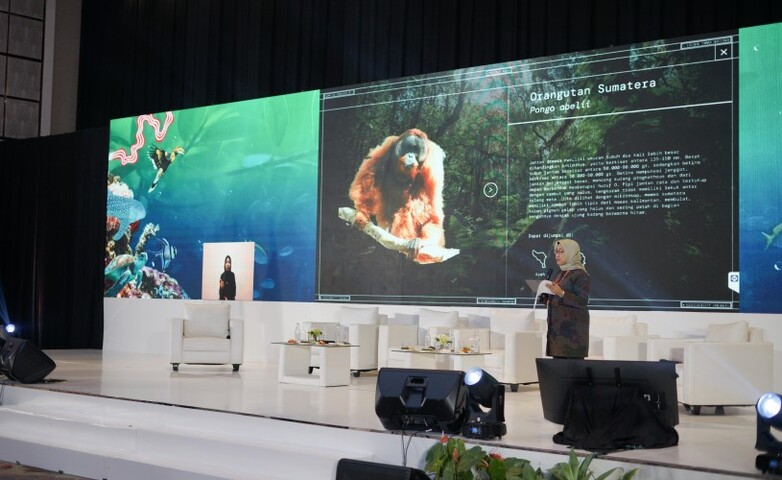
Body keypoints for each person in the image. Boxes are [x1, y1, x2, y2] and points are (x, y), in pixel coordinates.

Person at [543, 239, 590, 358]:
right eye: (556, 252)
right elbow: (558, 298)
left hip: (572, 335)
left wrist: (561, 293)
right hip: (557, 333)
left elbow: (582, 302)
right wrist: (546, 297)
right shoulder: (561, 272)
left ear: (570, 252)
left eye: (561, 252)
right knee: (557, 372)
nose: (557, 255)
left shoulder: (580, 275)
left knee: (572, 373)